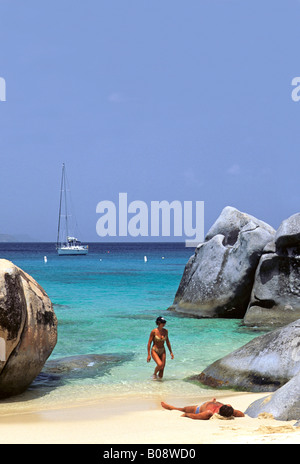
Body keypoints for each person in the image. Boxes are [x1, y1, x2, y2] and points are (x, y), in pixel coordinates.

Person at [161, 398, 245, 420]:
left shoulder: (209, 413)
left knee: (183, 409)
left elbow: (195, 416)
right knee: (211, 402)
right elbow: (242, 414)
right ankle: (211, 401)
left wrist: (186, 415)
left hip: (199, 408)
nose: (228, 405)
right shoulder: (229, 409)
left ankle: (172, 408)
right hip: (210, 403)